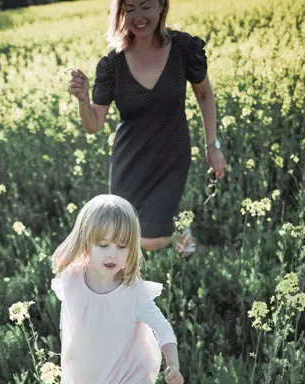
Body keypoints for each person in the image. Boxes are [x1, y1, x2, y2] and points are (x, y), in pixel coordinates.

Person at [68, 0, 228, 255]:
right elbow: (94, 124)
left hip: (172, 154)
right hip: (130, 159)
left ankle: (177, 234)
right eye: (130, 9)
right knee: (126, 230)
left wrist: (212, 146)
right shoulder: (112, 64)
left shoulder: (184, 48)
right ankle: (172, 248)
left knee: (151, 239)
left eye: (145, 6)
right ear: (121, 13)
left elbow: (205, 95)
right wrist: (84, 100)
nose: (138, 17)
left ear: (161, 7)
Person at [51, 194, 184, 384]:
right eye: (103, 244)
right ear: (86, 242)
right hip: (90, 370)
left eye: (122, 246)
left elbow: (163, 327)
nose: (113, 254)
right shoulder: (73, 281)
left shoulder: (131, 291)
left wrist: (173, 363)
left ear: (133, 248)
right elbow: (70, 322)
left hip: (127, 368)